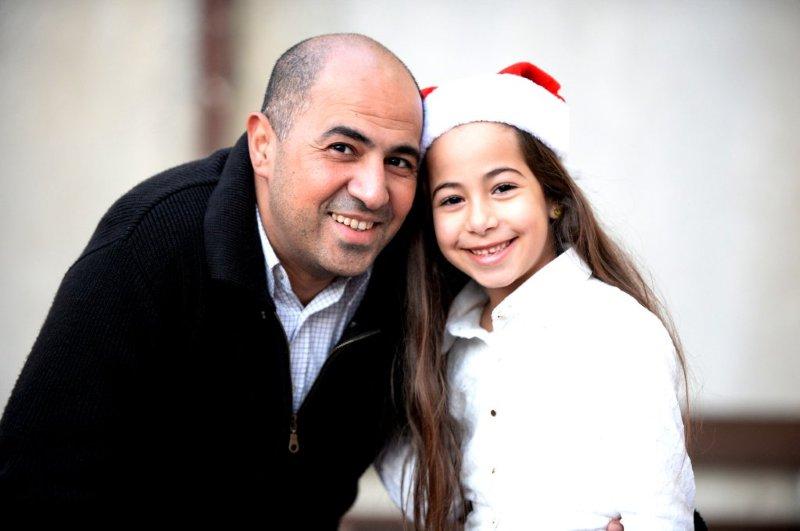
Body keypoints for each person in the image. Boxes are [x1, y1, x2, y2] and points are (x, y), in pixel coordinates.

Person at [0, 33, 422, 527]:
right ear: (263, 146)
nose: (374, 192)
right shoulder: (152, 241)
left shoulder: (414, 270)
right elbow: (34, 486)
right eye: (343, 148)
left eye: (399, 161)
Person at [378, 62, 699, 529]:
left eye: (503, 188)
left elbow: (661, 513)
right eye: (452, 199)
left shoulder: (618, 330)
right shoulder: (449, 339)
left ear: (553, 198)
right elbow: (435, 495)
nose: (480, 220)